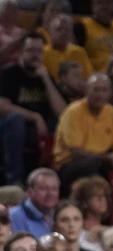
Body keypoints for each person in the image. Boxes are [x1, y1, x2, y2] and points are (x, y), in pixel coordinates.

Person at [0, 31, 66, 186]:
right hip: (9, 126)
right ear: (21, 52)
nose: (35, 55)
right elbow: (2, 106)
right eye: (30, 51)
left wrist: (46, 80)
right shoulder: (9, 73)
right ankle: (14, 180)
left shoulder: (45, 75)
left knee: (60, 125)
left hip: (37, 129)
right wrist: (35, 116)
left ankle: (52, 179)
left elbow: (63, 113)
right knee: (16, 120)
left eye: (39, 51)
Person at [53, 73, 113, 189]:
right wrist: (108, 158)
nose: (100, 94)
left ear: (110, 93)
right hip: (69, 165)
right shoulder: (73, 112)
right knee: (92, 169)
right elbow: (76, 153)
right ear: (86, 91)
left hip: (100, 162)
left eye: (104, 90)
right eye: (96, 90)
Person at [77, 0, 113, 73]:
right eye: (99, 2)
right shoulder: (82, 27)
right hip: (100, 79)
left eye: (108, 2)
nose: (104, 6)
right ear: (92, 6)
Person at [69, 175, 111, 251]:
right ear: (84, 202)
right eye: (97, 196)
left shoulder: (110, 230)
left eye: (104, 196)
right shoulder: (75, 230)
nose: (102, 199)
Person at [9, 167, 59, 237]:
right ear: (29, 191)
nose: (50, 194)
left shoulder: (60, 214)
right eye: (43, 189)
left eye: (54, 189)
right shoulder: (13, 217)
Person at [43, 14, 92, 80]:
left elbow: (89, 78)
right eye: (59, 29)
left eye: (67, 30)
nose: (63, 33)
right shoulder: (42, 52)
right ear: (50, 31)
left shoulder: (79, 52)